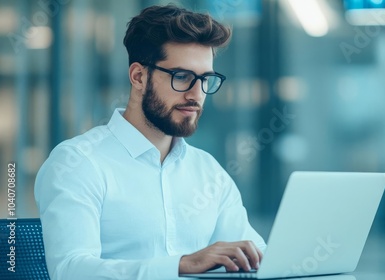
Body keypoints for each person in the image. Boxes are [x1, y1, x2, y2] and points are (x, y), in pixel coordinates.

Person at [35, 4, 266, 280]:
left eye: (206, 79)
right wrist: (180, 265)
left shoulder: (209, 172)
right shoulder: (77, 163)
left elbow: (254, 258)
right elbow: (70, 271)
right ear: (139, 76)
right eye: (182, 77)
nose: (196, 94)